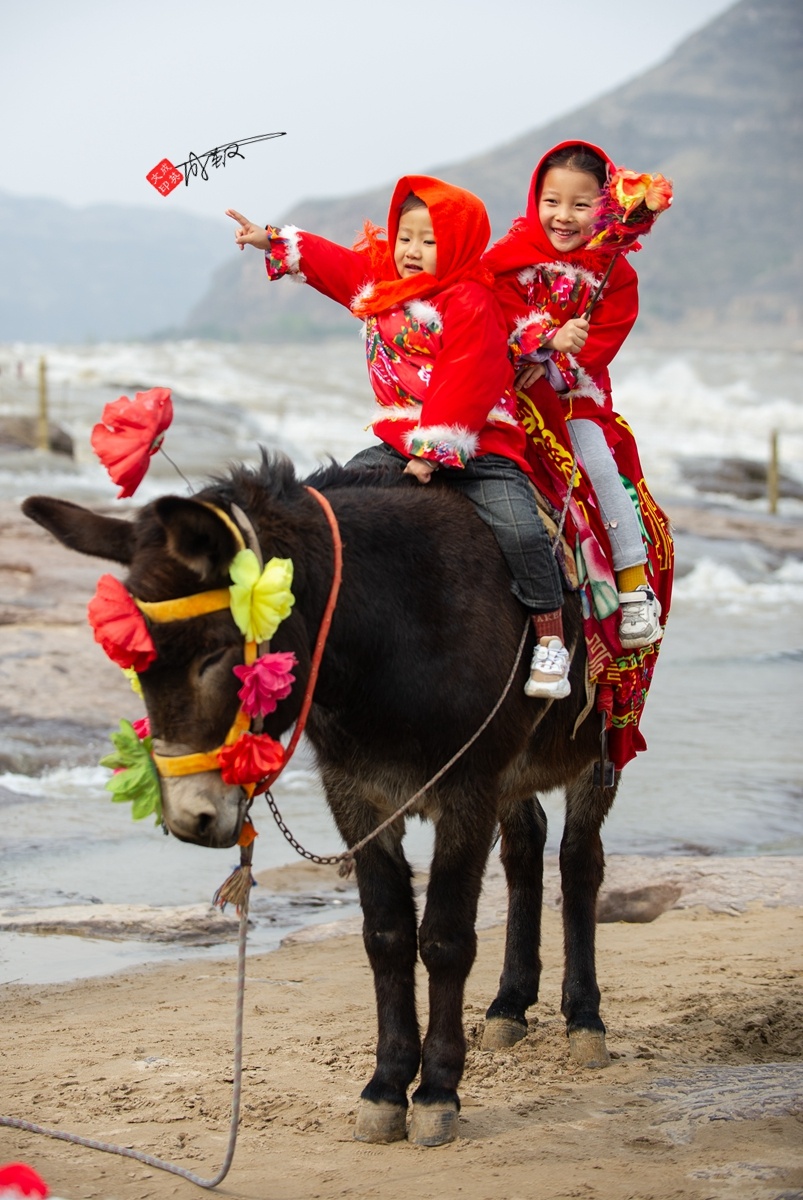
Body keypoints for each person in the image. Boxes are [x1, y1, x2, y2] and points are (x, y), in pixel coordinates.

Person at [226, 176, 574, 698]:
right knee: (333, 500)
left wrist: (433, 452)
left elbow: (468, 374)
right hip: (399, 439)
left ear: (456, 243)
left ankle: (551, 639)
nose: (413, 251)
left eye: (429, 241)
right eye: (406, 237)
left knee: (522, 530)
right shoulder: (383, 284)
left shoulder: (470, 299)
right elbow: (338, 265)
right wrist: (273, 239)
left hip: (480, 443)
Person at [484, 140, 663, 650]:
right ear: (533, 199)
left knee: (600, 468)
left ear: (603, 208)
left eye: (580, 205)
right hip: (507, 393)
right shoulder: (505, 260)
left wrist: (556, 362)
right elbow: (492, 317)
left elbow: (600, 347)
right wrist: (536, 343)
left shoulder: (616, 276)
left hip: (572, 399)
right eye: (551, 202)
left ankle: (632, 587)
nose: (563, 217)